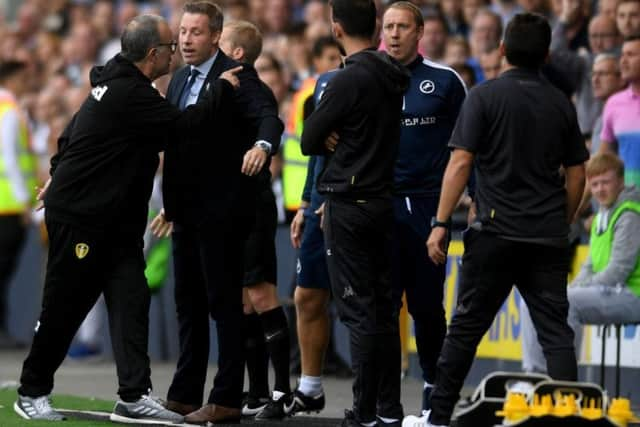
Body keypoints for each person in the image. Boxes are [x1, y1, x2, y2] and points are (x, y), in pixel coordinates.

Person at [14, 14, 241, 424]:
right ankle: (31, 391)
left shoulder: (114, 86)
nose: (176, 52)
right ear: (153, 54)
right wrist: (218, 89)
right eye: (171, 46)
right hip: (84, 218)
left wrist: (59, 171)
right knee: (66, 305)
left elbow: (70, 136)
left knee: (131, 304)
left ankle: (133, 395)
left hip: (115, 221)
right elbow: (184, 126)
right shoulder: (127, 93)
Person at [420, 13, 588, 427]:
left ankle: (438, 417)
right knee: (556, 335)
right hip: (546, 237)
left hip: (494, 233)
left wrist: (440, 221)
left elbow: (461, 162)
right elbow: (578, 173)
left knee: (465, 330)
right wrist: (560, 220)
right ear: (546, 55)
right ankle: (569, 417)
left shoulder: (484, 96)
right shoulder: (560, 104)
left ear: (501, 50)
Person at [150, 2, 283, 424]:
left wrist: (262, 147)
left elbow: (268, 117)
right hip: (186, 211)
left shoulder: (239, 75)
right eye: (183, 32)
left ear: (215, 35)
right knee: (186, 303)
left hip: (224, 210)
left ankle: (226, 396)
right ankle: (184, 394)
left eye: (195, 33)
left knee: (224, 305)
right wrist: (170, 206)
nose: (186, 40)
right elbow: (178, 143)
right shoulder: (178, 79)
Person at [300, 0, 410, 426]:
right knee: (383, 310)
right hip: (382, 199)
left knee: (359, 311)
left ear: (336, 27)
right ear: (378, 26)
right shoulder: (393, 73)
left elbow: (309, 138)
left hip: (348, 201)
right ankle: (389, 409)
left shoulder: (349, 78)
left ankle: (363, 411)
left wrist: (330, 129)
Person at [381, 0, 467, 417]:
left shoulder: (445, 81)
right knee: (379, 307)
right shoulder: (363, 78)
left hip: (428, 207)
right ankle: (383, 404)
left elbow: (470, 147)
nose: (394, 34)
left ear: (420, 32)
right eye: (388, 26)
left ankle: (436, 393)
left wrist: (452, 212)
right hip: (376, 206)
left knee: (427, 307)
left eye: (402, 27)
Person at [218, 19, 292, 420]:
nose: (214, 43)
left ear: (238, 53)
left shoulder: (252, 88)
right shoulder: (225, 88)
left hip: (253, 206)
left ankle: (282, 391)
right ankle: (258, 391)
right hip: (233, 206)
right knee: (245, 302)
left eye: (222, 41)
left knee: (261, 294)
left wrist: (264, 144)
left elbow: (270, 120)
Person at [522, 153, 640, 374]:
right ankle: (534, 375)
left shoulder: (629, 214)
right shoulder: (603, 216)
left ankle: (565, 377)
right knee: (536, 299)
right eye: (594, 184)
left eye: (606, 182)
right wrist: (570, 288)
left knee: (570, 303)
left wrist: (573, 292)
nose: (600, 189)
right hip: (609, 291)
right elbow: (589, 266)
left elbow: (618, 272)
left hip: (632, 295)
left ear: (621, 182)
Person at [287, 38, 344, 416]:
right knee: (306, 296)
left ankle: (376, 398)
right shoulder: (318, 87)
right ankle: (309, 388)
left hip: (358, 205)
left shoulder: (382, 83)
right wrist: (307, 202)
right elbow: (314, 151)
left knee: (363, 304)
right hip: (317, 204)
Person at [0, 60, 36, 349]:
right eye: (24, 77)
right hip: (9, 206)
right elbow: (11, 158)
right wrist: (25, 202)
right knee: (3, 270)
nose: (28, 82)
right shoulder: (10, 112)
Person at [599, 35, 640, 189]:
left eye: (631, 55)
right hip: (628, 205)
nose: (623, 61)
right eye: (622, 55)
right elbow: (602, 162)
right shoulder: (613, 103)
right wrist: (576, 209)